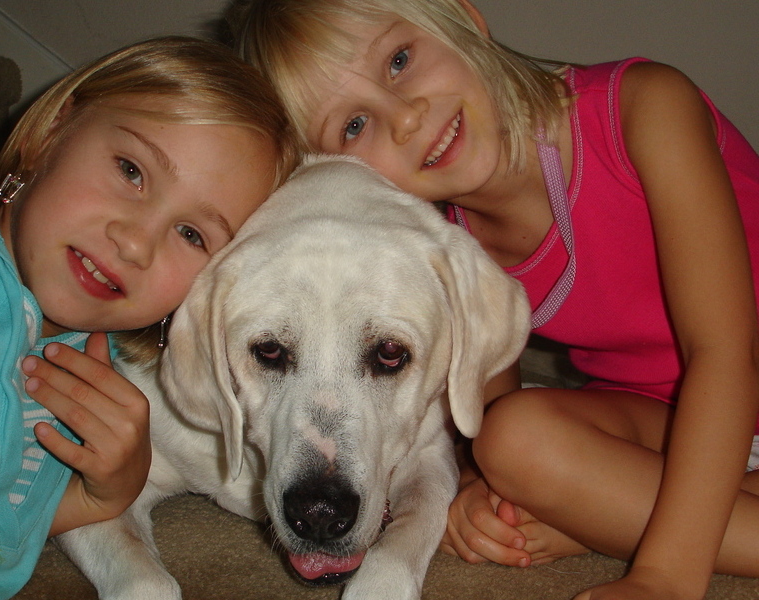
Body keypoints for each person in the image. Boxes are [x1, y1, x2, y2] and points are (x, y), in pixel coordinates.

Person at [228, 1, 759, 598]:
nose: (404, 119)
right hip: (657, 412)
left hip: (736, 369)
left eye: (399, 61)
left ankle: (650, 526)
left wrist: (664, 575)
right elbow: (488, 398)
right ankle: (643, 512)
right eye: (354, 125)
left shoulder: (643, 106)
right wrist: (493, 489)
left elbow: (723, 351)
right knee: (512, 441)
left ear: (463, 18)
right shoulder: (448, 242)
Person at [0, 35, 299, 599]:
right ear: (49, 136)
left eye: (192, 235)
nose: (137, 243)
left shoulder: (90, 363)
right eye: (131, 170)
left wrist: (101, 497)